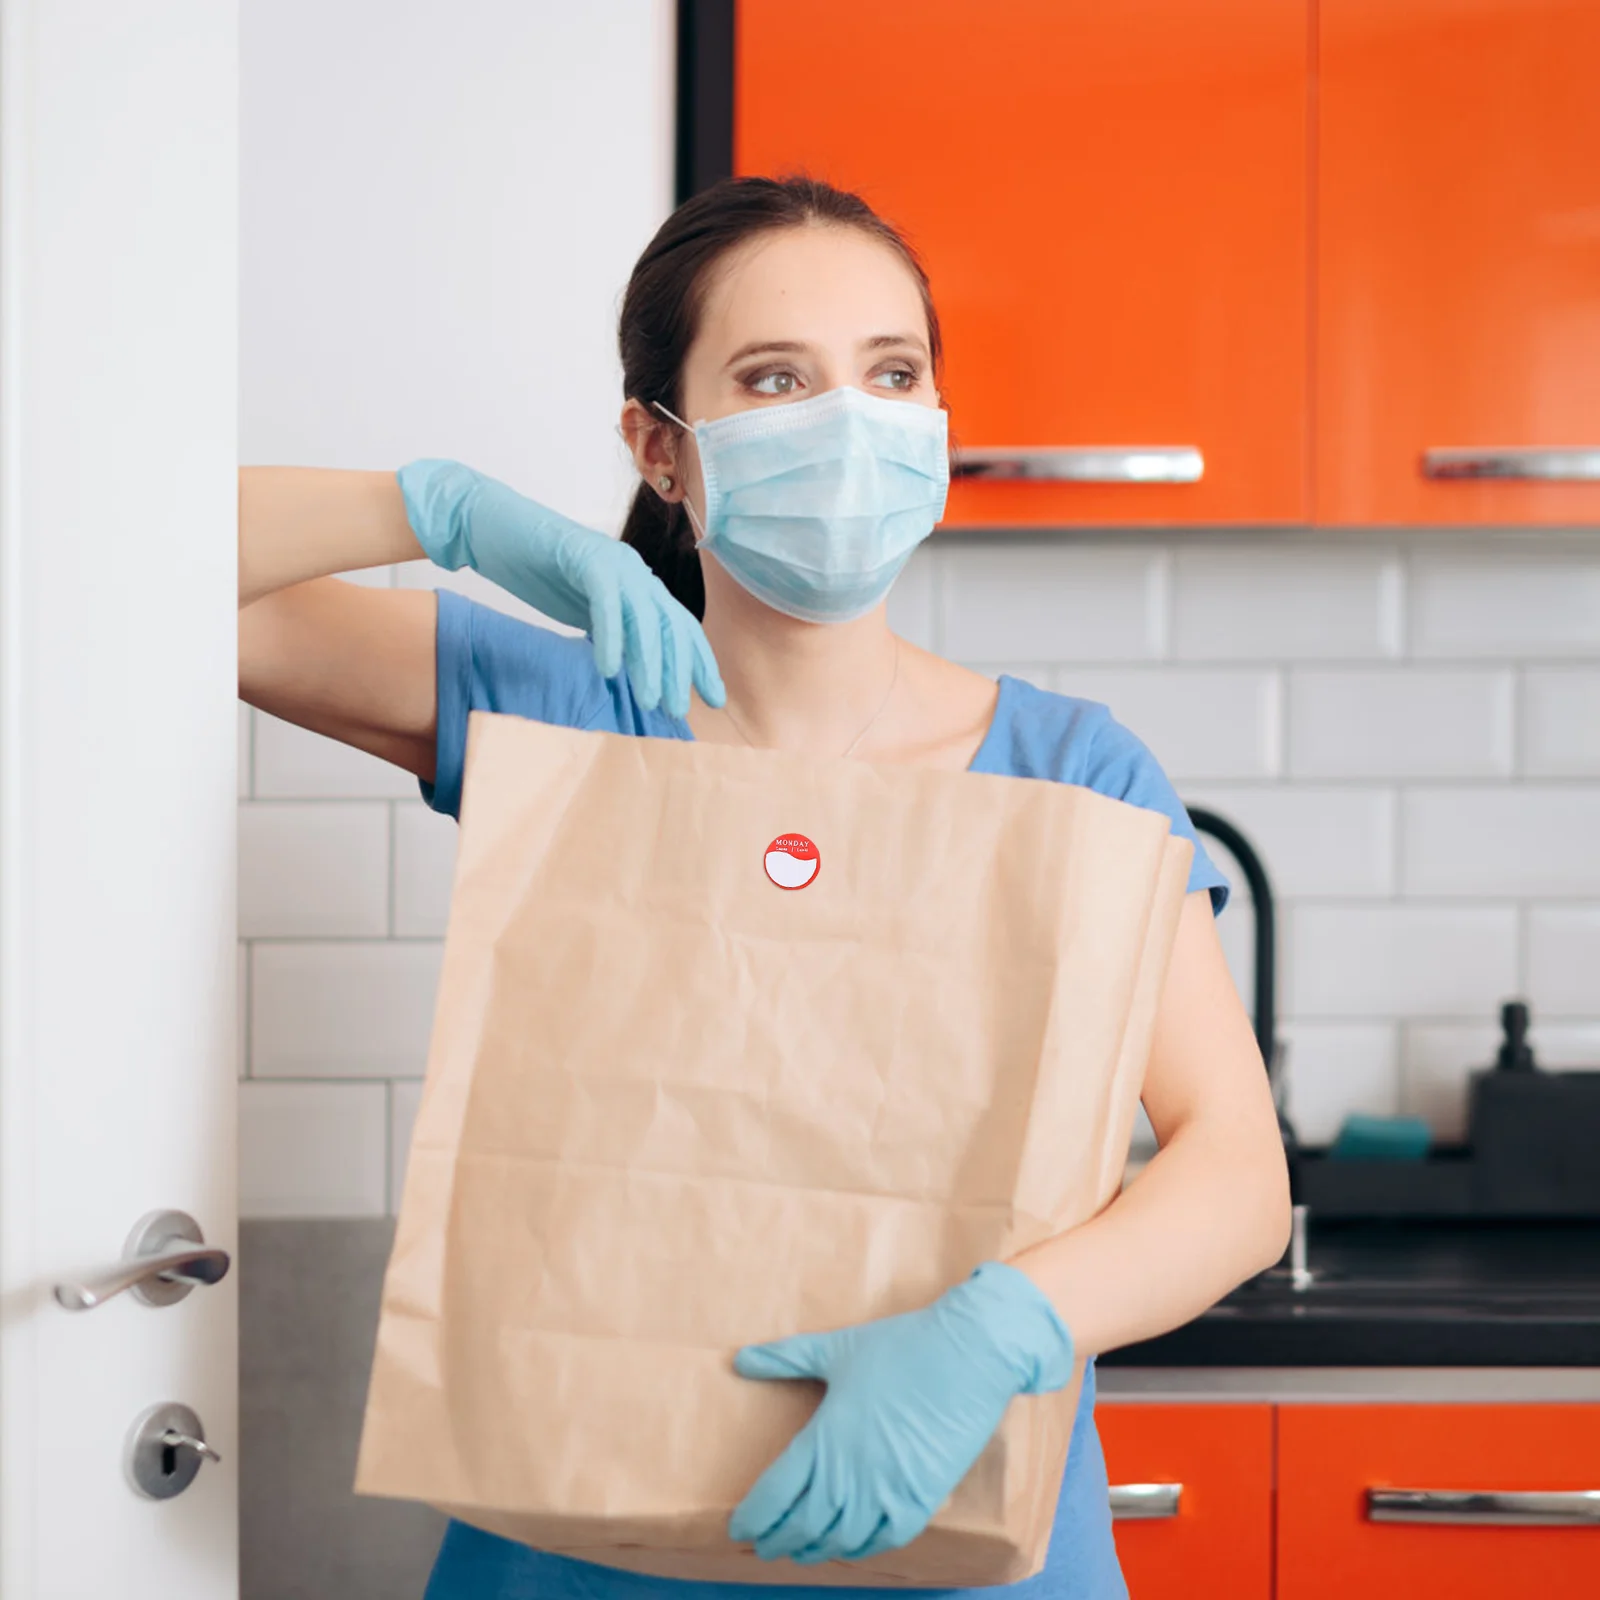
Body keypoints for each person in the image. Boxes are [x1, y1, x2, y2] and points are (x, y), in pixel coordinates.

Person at [240, 175, 1290, 1599]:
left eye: (892, 372)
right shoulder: (558, 705)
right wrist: (431, 510)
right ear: (659, 447)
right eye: (776, 378)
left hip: (964, 1538)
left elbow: (1234, 1173)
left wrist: (997, 1333)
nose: (846, 421)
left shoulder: (1072, 769)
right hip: (573, 1543)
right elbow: (87, 571)